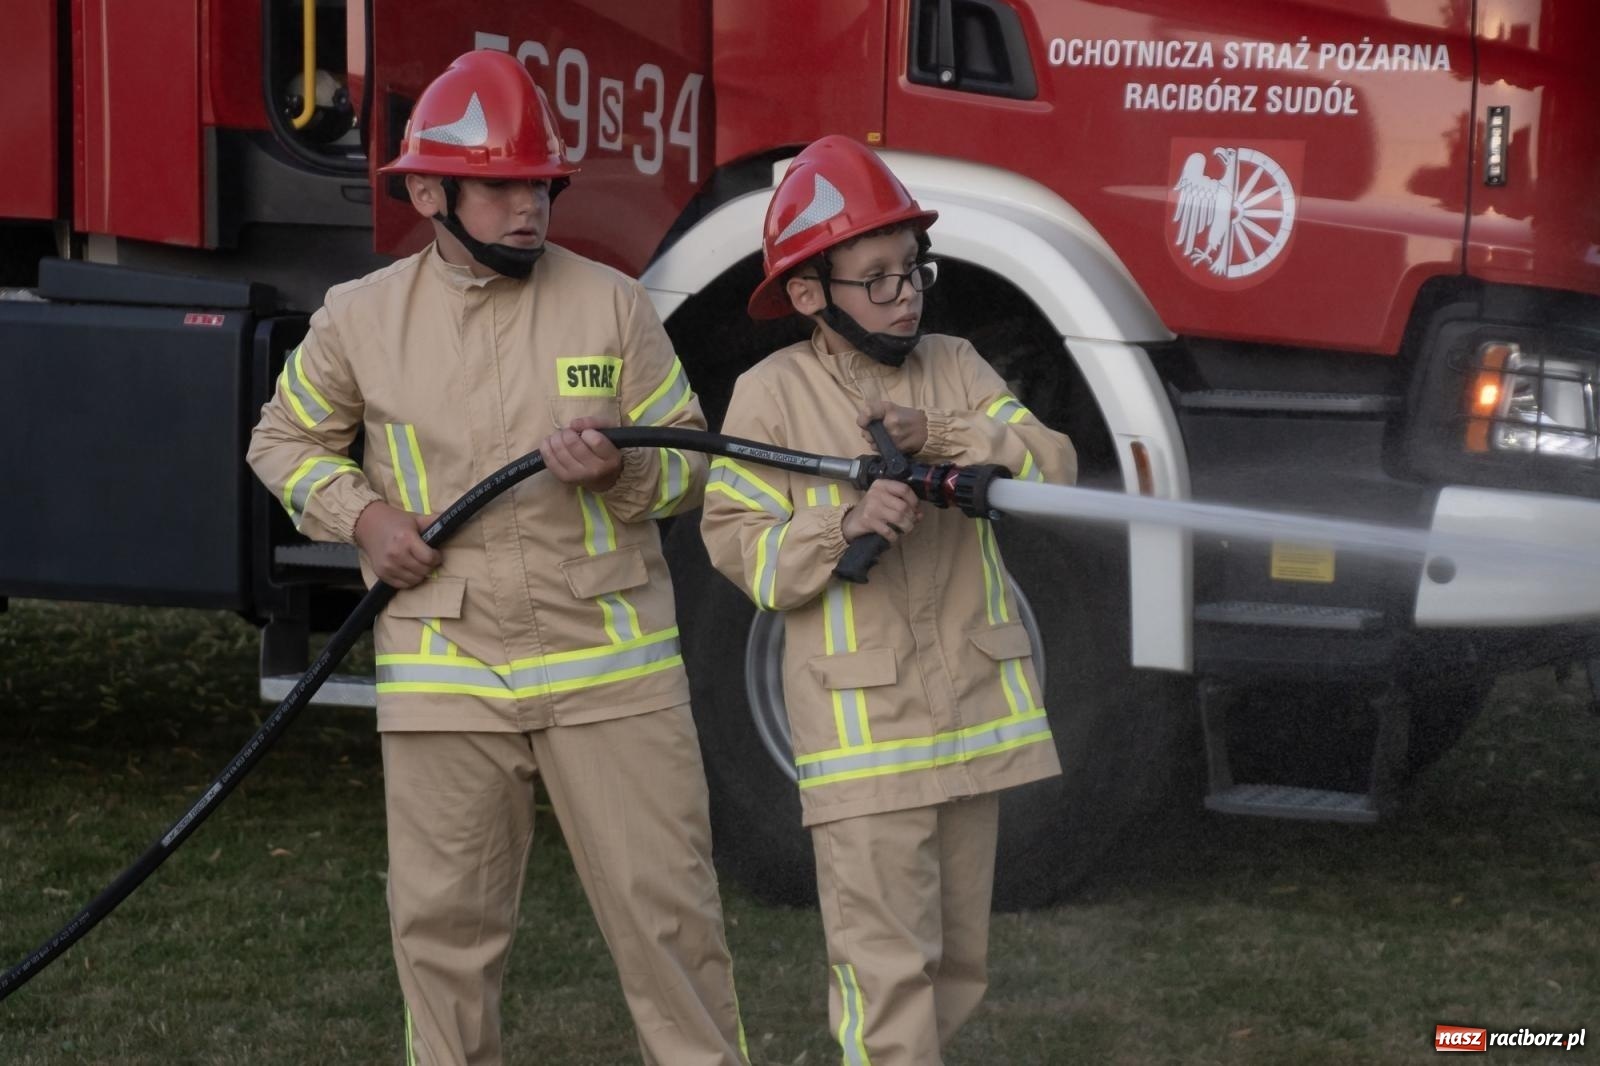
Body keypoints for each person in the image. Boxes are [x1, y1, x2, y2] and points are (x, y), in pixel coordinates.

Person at [247, 50, 747, 1066]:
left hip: (612, 675)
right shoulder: (361, 318)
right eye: (502, 185)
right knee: (443, 942)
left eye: (540, 185)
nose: (530, 209)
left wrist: (617, 475)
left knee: (672, 930)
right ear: (429, 190)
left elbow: (694, 471)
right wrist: (365, 516)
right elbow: (279, 441)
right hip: (449, 671)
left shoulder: (609, 305)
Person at [699, 135, 1076, 1064]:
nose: (906, 293)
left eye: (914, 269)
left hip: (973, 726)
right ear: (807, 294)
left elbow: (1056, 466)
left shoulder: (955, 366)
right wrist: (843, 524)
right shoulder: (768, 397)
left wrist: (946, 435)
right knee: (886, 977)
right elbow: (741, 550)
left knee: (957, 969)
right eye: (877, 278)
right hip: (862, 740)